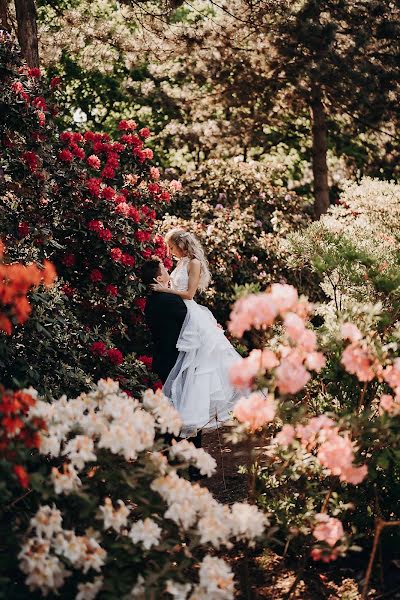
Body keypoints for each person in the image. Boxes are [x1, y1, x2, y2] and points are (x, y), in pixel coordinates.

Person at [151, 228, 243, 438]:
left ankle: (193, 414)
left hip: (191, 314)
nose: (170, 251)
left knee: (198, 366)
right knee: (186, 365)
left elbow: (189, 294)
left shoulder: (194, 263)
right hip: (181, 313)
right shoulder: (180, 263)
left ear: (182, 245)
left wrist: (165, 290)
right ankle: (185, 411)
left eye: (172, 247)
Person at [141, 259, 187, 384]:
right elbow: (189, 323)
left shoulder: (150, 302)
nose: (167, 270)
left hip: (162, 360)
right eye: (164, 269)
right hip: (176, 361)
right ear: (160, 278)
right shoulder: (171, 300)